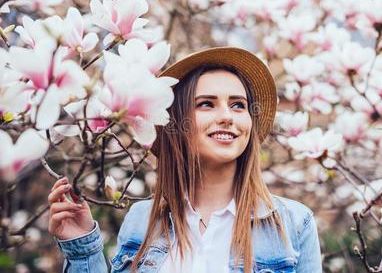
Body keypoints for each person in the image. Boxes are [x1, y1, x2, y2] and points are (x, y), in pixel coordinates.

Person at [48, 47, 322, 273]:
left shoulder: (293, 224)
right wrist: (82, 246)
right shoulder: (141, 220)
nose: (227, 116)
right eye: (206, 103)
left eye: (238, 105)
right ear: (176, 122)